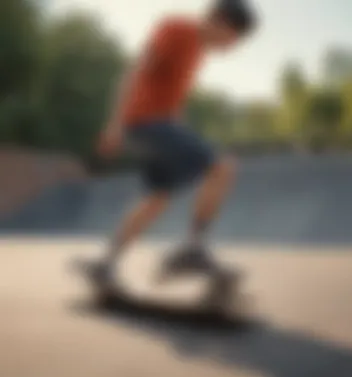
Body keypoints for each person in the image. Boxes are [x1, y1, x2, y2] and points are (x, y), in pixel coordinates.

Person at [93, 0, 259, 292]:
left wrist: (177, 128)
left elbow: (170, 100)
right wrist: (114, 124)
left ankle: (106, 263)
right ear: (219, 21)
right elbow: (132, 72)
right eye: (232, 40)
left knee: (158, 198)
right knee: (221, 168)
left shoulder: (196, 51)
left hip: (154, 126)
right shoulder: (177, 29)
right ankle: (193, 251)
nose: (230, 49)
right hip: (143, 123)